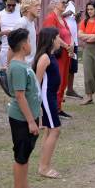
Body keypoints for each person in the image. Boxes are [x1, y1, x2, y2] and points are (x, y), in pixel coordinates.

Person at [6, 28, 41, 188]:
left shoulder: (22, 64)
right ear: (22, 46)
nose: (30, 44)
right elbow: (19, 96)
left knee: (26, 153)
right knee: (21, 155)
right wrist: (31, 121)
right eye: (28, 41)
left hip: (29, 117)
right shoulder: (17, 67)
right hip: (21, 119)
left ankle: (24, 186)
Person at [34, 27, 63, 179]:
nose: (60, 40)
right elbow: (36, 83)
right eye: (58, 37)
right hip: (47, 97)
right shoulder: (44, 58)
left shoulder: (51, 55)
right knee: (55, 130)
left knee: (49, 130)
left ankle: (43, 164)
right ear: (51, 40)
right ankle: (44, 168)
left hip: (51, 95)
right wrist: (36, 108)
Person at [42, 0, 74, 119]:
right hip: (58, 54)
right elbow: (52, 36)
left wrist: (70, 45)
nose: (65, 5)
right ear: (55, 3)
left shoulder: (63, 19)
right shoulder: (51, 18)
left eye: (66, 3)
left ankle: (59, 107)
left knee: (64, 81)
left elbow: (68, 34)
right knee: (57, 80)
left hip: (66, 53)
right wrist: (67, 45)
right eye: (63, 2)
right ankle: (53, 107)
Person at [61, 0, 82, 100]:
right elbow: (55, 16)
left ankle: (70, 89)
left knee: (72, 67)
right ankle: (60, 91)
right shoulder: (59, 4)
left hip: (73, 40)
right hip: (64, 40)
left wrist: (77, 16)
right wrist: (66, 13)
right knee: (62, 66)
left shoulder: (72, 4)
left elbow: (75, 20)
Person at [0, 0, 23, 69]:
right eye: (9, 5)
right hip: (5, 49)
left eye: (13, 5)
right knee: (6, 76)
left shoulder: (20, 13)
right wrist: (4, 32)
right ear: (5, 3)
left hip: (19, 49)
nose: (11, 7)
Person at [14, 0, 41, 65]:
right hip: (22, 64)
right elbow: (14, 46)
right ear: (27, 8)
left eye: (39, 6)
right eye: (36, 6)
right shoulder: (22, 22)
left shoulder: (32, 22)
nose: (39, 8)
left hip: (30, 64)